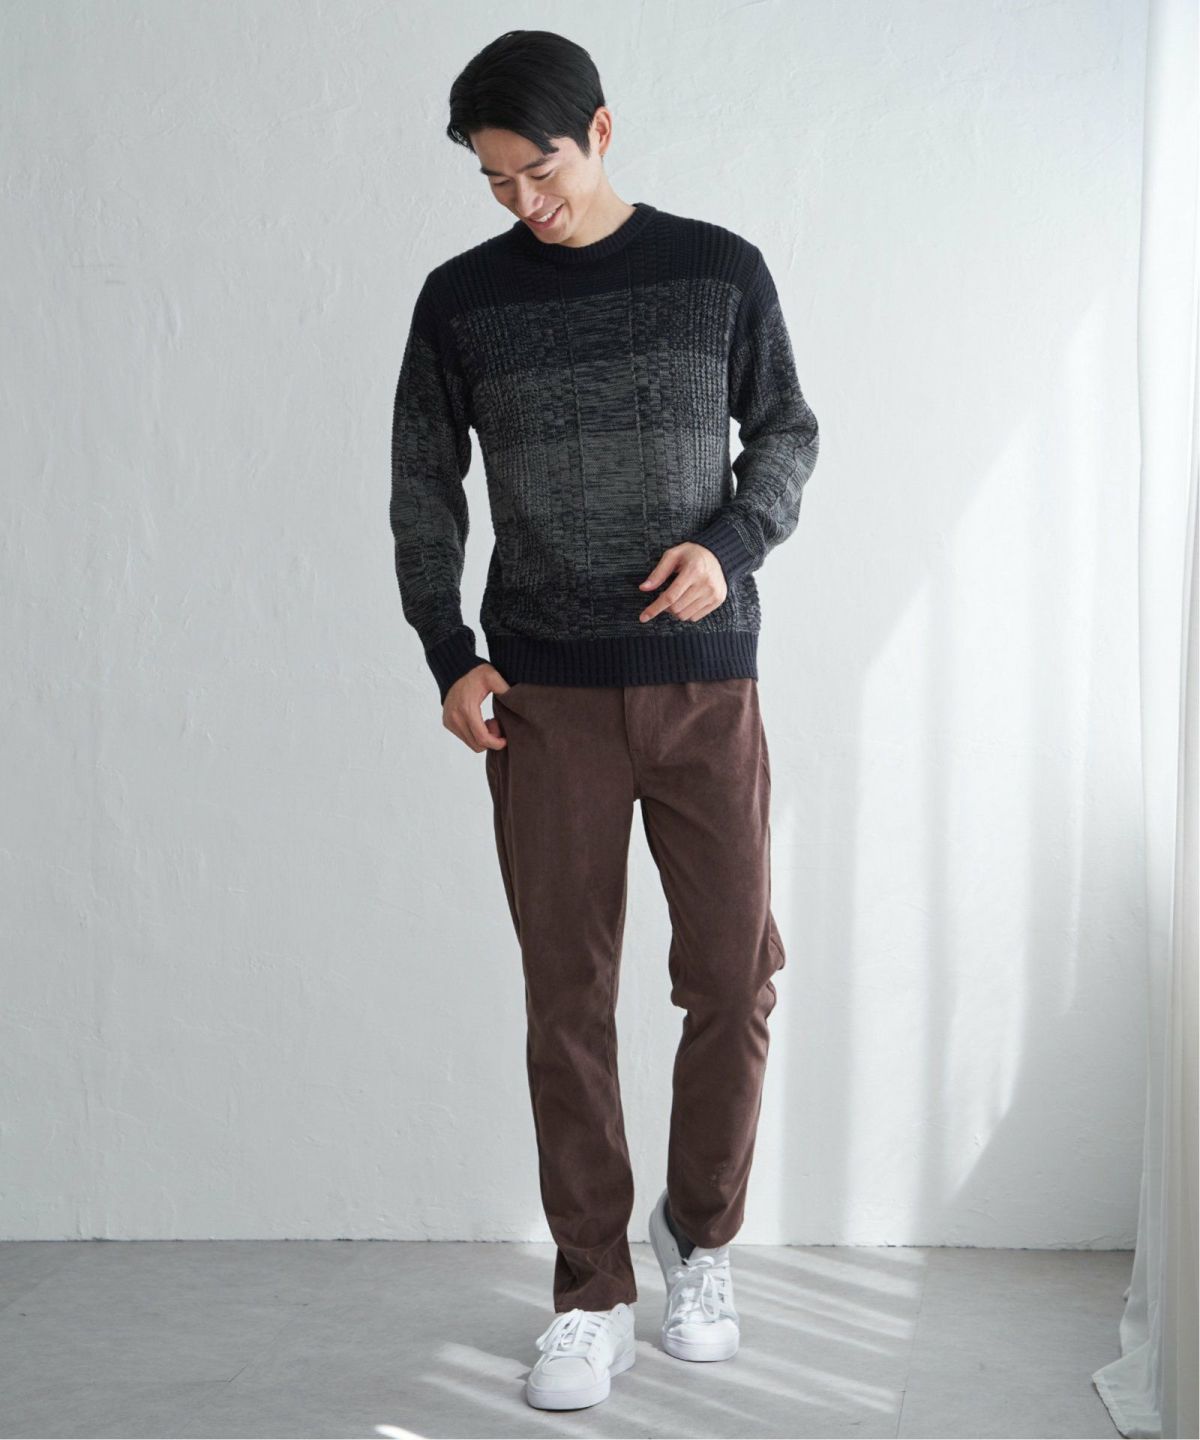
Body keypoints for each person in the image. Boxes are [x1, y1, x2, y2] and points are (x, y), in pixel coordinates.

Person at [389, 28, 820, 1413]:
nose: (525, 201)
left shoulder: (718, 272)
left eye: (542, 169)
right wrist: (448, 653)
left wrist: (731, 546)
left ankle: (699, 1242)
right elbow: (423, 487)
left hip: (704, 688)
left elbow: (788, 433)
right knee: (567, 998)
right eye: (495, 181)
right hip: (546, 702)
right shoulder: (462, 301)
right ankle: (590, 1291)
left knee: (732, 978)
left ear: (604, 131)